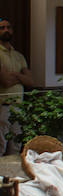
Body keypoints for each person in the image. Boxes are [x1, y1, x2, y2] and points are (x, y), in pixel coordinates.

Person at [0, 18, 33, 155]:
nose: (6, 30)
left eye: (8, 27)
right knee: (1, 144)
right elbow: (5, 81)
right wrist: (20, 77)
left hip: (19, 106)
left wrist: (14, 75)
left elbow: (30, 81)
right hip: (3, 106)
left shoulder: (18, 55)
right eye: (2, 28)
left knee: (16, 144)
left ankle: (12, 175)